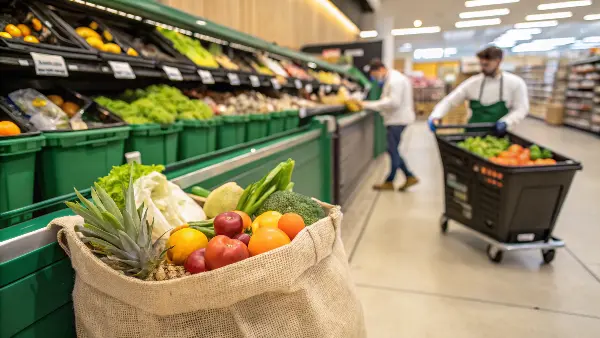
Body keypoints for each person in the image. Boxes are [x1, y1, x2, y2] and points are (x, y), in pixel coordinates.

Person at [428, 46, 529, 133]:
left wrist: (507, 122)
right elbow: (449, 101)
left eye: (486, 65)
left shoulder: (515, 83)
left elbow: (521, 108)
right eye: (481, 64)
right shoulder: (473, 83)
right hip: (472, 133)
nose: (483, 68)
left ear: (498, 62)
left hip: (501, 133)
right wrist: (435, 115)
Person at [361, 59, 418, 192]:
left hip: (397, 120)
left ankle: (391, 181)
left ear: (380, 69)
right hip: (396, 120)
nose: (375, 78)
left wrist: (367, 104)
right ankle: (408, 176)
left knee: (393, 150)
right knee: (393, 150)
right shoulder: (392, 79)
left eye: (374, 75)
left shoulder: (395, 80)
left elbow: (394, 102)